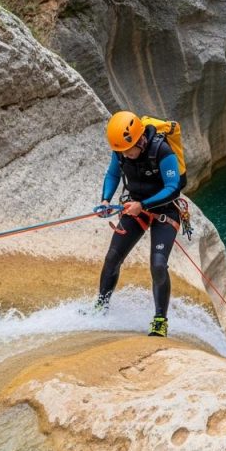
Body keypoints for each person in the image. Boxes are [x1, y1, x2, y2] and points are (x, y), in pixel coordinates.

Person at [94, 110, 186, 337]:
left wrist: (143, 204)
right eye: (121, 151)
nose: (126, 155)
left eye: (129, 150)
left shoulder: (161, 150)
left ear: (140, 139)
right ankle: (100, 306)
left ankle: (159, 321)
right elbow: (113, 174)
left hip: (165, 209)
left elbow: (174, 187)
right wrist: (105, 200)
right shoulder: (122, 152)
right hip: (136, 206)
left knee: (157, 265)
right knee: (113, 257)